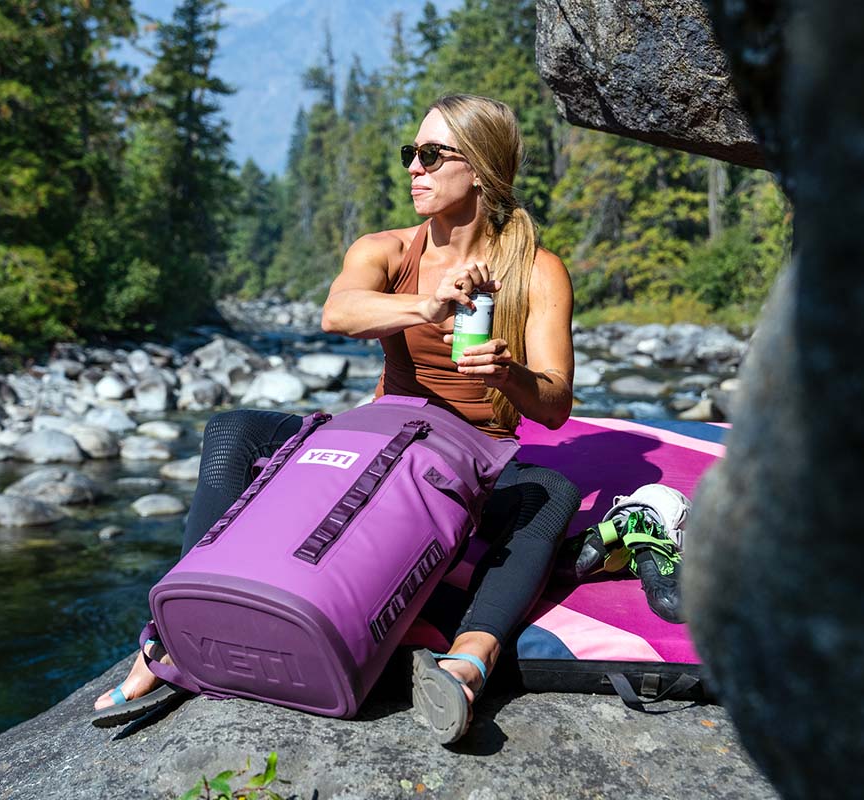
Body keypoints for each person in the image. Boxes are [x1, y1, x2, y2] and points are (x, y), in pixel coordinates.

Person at [93, 94, 579, 743]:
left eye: (432, 155)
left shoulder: (537, 271)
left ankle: (468, 662)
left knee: (552, 492)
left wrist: (506, 375)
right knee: (232, 429)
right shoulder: (385, 249)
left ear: (482, 169)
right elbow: (339, 313)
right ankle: (171, 636)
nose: (414, 167)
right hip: (380, 440)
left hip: (465, 461)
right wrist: (428, 305)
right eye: (411, 154)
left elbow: (554, 404)